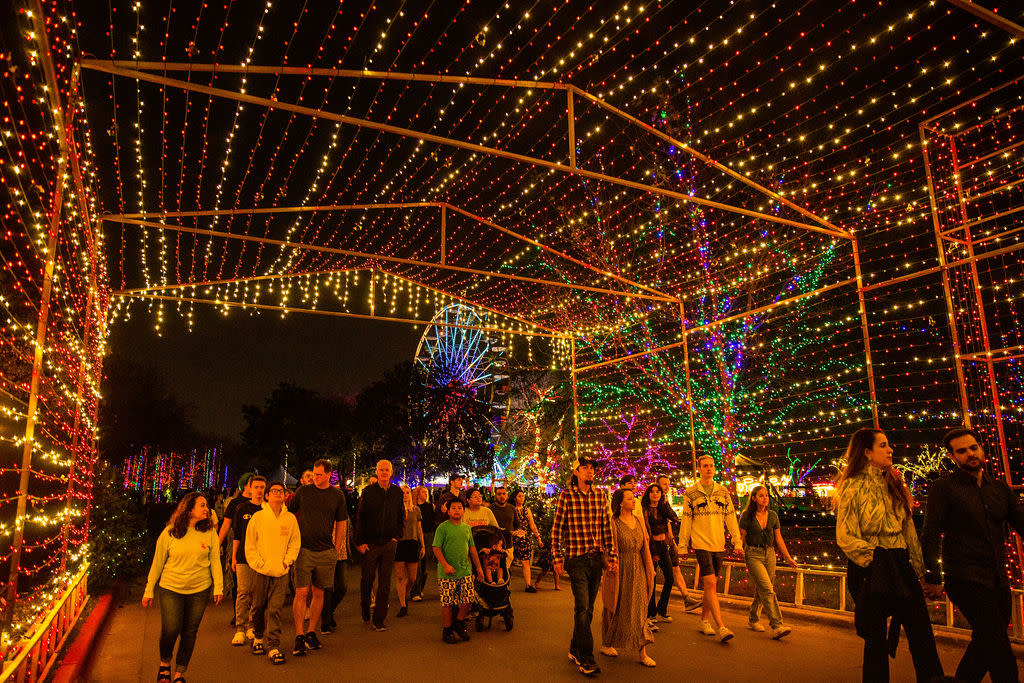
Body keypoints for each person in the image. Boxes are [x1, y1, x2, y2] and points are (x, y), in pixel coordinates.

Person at [835, 428, 943, 683]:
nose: (890, 449)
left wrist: (921, 571)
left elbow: (909, 532)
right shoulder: (852, 486)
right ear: (867, 452)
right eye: (883, 445)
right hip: (871, 568)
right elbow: (845, 535)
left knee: (922, 634)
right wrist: (875, 557)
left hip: (900, 564)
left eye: (889, 445)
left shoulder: (894, 482)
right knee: (875, 641)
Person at [922, 427, 1024, 683]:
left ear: (981, 449)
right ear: (952, 456)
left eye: (973, 448)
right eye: (962, 451)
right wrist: (933, 576)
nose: (970, 454)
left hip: (998, 579)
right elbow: (931, 533)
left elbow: (1021, 523)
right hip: (965, 578)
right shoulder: (943, 488)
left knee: (986, 641)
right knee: (1000, 648)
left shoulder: (999, 489)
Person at [142, 492, 223, 683]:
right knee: (171, 629)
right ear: (189, 509)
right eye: (202, 505)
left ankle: (180, 672)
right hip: (171, 588)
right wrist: (148, 590)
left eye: (206, 505)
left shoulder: (209, 532)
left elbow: (215, 561)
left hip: (200, 589)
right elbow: (158, 563)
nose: (206, 509)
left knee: (189, 631)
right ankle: (164, 664)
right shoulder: (170, 532)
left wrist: (218, 587)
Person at [551, 457, 617, 677]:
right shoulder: (566, 495)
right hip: (576, 559)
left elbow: (607, 527)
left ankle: (574, 646)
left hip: (596, 559)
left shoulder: (600, 495)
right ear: (577, 472)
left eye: (592, 469)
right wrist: (556, 557)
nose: (590, 472)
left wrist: (612, 554)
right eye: (585, 468)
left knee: (588, 609)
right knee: (582, 607)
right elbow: (557, 529)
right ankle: (586, 658)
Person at [679, 455, 743, 643]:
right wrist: (683, 545)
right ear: (699, 469)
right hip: (701, 543)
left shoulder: (722, 492)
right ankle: (721, 626)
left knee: (711, 585)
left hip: (718, 543)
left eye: (711, 466)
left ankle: (704, 620)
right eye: (705, 466)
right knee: (710, 584)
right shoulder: (691, 493)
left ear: (715, 469)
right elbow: (686, 519)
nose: (709, 468)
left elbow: (731, 517)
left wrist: (737, 542)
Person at [289, 459, 348, 656]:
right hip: (304, 549)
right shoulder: (303, 492)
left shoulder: (337, 495)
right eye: (314, 474)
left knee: (319, 593)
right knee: (301, 593)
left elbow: (341, 522)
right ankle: (299, 634)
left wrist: (336, 548)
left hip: (326, 550)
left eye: (319, 475)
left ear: (329, 475)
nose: (315, 478)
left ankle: (311, 632)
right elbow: (289, 515)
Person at [245, 481, 300, 665]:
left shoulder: (290, 518)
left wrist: (287, 561)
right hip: (261, 570)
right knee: (259, 605)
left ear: (285, 495)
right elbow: (250, 544)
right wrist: (257, 563)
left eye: (281, 491)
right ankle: (258, 636)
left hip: (281, 570)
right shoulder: (258, 518)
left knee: (276, 609)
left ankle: (274, 645)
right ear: (267, 495)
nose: (278, 494)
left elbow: (294, 543)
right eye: (274, 491)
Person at [600, 488, 656, 667]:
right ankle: (607, 643)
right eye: (630, 498)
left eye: (634, 498)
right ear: (621, 502)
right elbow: (606, 549)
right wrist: (608, 565)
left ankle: (642, 652)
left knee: (639, 610)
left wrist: (650, 569)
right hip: (619, 570)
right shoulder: (613, 523)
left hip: (638, 569)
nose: (634, 501)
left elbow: (645, 548)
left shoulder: (639, 521)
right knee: (616, 608)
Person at [738, 485, 796, 639]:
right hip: (753, 553)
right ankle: (777, 625)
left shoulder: (773, 516)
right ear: (754, 498)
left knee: (762, 588)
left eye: (766, 496)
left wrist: (788, 558)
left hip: (769, 554)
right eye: (761, 495)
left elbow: (778, 538)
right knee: (767, 587)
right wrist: (737, 546)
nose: (765, 498)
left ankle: (753, 618)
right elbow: (741, 537)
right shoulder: (747, 516)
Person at [355, 459, 405, 631]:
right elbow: (360, 517)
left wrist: (397, 536)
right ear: (377, 472)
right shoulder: (368, 492)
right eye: (381, 470)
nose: (384, 473)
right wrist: (360, 542)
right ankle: (365, 604)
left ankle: (379, 618)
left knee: (385, 583)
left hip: (389, 543)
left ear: (391, 472)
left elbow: (401, 515)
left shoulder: (397, 492)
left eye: (387, 470)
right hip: (370, 543)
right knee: (367, 579)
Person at [433, 497, 486, 643]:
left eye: (459, 508)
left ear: (464, 510)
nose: (457, 511)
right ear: (448, 511)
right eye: (453, 508)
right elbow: (436, 548)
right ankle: (447, 629)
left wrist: (479, 568)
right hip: (447, 573)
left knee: (468, 598)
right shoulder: (443, 528)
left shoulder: (466, 528)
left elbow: (472, 549)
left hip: (465, 570)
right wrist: (445, 565)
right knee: (448, 603)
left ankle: (459, 621)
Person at [654, 474, 702, 613]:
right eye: (664, 484)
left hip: (669, 541)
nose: (667, 487)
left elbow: (670, 520)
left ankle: (686, 598)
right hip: (658, 543)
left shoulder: (665, 501)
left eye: (668, 484)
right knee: (654, 576)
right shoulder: (656, 503)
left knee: (675, 570)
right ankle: (650, 610)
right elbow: (667, 520)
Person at [230, 475, 266, 646]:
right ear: (250, 488)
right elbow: (237, 534)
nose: (259, 490)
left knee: (257, 594)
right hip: (243, 557)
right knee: (243, 592)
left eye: (262, 487)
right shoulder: (242, 508)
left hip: (261, 558)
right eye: (256, 487)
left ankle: (252, 625)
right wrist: (234, 556)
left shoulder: (267, 510)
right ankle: (240, 628)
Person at [641, 484, 674, 625]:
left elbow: (674, 518)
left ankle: (662, 609)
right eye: (652, 492)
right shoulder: (645, 510)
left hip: (663, 546)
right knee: (652, 580)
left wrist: (666, 504)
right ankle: (651, 613)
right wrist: (653, 552)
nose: (655, 494)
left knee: (670, 578)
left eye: (658, 492)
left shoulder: (663, 508)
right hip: (651, 546)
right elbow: (648, 531)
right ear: (648, 494)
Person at [395, 485, 425, 617]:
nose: (405, 495)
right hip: (399, 543)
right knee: (400, 576)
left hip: (412, 543)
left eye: (407, 492)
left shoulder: (416, 510)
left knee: (412, 578)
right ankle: (402, 604)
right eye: (403, 493)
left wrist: (423, 545)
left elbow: (419, 529)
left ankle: (405, 594)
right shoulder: (396, 510)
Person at [511, 490, 543, 593]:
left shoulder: (526, 510)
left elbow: (532, 525)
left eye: (523, 496)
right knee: (508, 561)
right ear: (515, 498)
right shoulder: (510, 509)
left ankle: (528, 584)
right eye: (519, 496)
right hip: (511, 538)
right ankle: (502, 584)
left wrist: (538, 538)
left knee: (525, 561)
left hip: (523, 538)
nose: (522, 498)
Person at [410, 486, 435, 601]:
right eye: (423, 492)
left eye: (426, 492)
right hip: (417, 535)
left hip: (428, 535)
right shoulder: (414, 508)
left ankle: (420, 588)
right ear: (418, 494)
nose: (426, 494)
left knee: (424, 564)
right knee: (418, 564)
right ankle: (415, 590)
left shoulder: (430, 506)